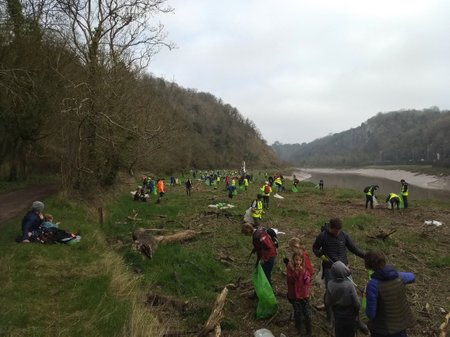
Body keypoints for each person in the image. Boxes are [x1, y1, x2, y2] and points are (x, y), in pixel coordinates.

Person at [312, 218, 366, 328]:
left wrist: (366, 255)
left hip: (344, 268)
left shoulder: (344, 235)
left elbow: (354, 249)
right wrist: (320, 255)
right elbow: (315, 248)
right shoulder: (323, 236)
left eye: (339, 231)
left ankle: (357, 320)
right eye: (335, 231)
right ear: (330, 228)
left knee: (351, 292)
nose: (337, 233)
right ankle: (330, 318)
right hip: (329, 268)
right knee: (330, 291)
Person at [364, 250, 415, 337]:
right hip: (401, 324)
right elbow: (412, 277)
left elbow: (370, 314)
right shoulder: (400, 276)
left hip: (382, 329)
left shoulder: (373, 285)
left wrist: (366, 296)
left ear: (368, 265)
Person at [326, 261, 360, 337]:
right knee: (350, 332)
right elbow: (357, 303)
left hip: (337, 313)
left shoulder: (330, 284)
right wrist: (357, 309)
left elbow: (328, 302)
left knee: (339, 332)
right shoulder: (349, 285)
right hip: (350, 314)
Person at [286, 251, 312, 337]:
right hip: (294, 295)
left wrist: (303, 273)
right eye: (296, 260)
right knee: (297, 312)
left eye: (299, 260)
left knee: (307, 312)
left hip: (304, 294)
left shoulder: (304, 268)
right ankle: (298, 328)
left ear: (302, 261)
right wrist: (296, 273)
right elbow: (290, 280)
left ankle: (309, 331)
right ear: (293, 259)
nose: (298, 262)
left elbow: (307, 280)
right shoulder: (290, 268)